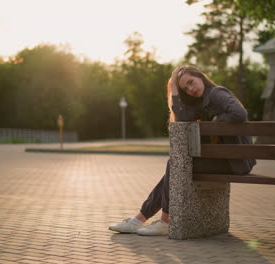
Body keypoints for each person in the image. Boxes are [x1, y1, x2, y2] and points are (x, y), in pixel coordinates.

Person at [109, 65, 256, 236]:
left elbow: (239, 113)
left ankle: (160, 221)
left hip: (237, 162)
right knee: (174, 168)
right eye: (186, 88)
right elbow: (182, 118)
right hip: (225, 160)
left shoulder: (217, 93)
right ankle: (140, 219)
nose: (191, 89)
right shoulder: (200, 102)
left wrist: (217, 120)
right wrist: (173, 88)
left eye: (191, 82)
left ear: (200, 76)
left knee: (175, 164)